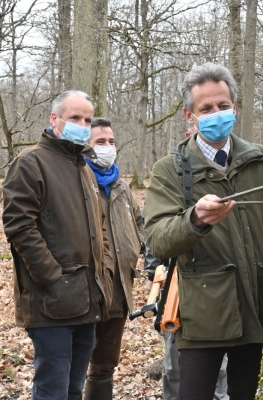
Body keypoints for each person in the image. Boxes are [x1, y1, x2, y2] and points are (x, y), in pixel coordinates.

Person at [144, 62, 263, 400]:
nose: (216, 113)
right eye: (206, 108)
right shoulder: (170, 170)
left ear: (235, 106)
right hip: (203, 318)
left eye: (222, 105)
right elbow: (158, 238)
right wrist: (196, 220)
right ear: (191, 115)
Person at [2, 90, 114, 400]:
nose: (82, 124)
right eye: (75, 117)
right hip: (50, 304)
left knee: (73, 390)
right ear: (55, 119)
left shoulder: (84, 168)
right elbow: (19, 226)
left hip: (87, 301)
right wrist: (52, 277)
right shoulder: (31, 163)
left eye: (87, 119)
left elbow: (97, 229)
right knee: (52, 391)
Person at [143, 128, 229, 400]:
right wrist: (158, 278)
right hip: (179, 293)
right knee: (176, 370)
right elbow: (155, 240)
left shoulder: (229, 174)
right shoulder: (169, 176)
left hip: (222, 292)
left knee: (222, 373)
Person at [83, 117, 145, 399]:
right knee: (74, 363)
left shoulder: (121, 184)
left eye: (111, 142)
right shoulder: (77, 179)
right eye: (100, 142)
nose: (108, 147)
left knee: (105, 363)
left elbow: (140, 221)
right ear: (86, 145)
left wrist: (140, 246)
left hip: (120, 287)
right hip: (84, 290)